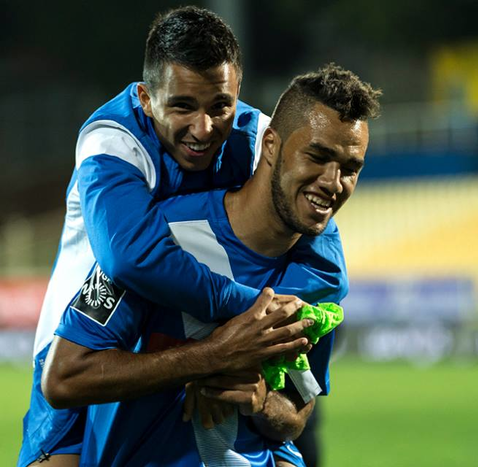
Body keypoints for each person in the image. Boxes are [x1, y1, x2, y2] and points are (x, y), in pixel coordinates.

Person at [18, 7, 346, 467]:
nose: (204, 128)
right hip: (90, 340)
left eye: (220, 106)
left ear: (237, 94)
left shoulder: (257, 137)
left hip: (195, 335)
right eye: (182, 106)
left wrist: (260, 340)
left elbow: (321, 242)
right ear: (146, 98)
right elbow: (131, 258)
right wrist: (246, 318)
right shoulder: (112, 141)